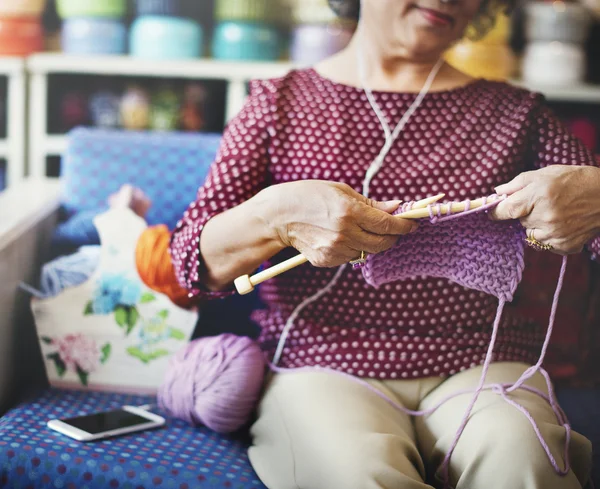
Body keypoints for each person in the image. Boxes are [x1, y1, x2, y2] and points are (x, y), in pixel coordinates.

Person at [170, 0, 600, 487]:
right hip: (323, 362)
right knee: (355, 475)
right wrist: (273, 216)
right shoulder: (280, 103)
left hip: (484, 365)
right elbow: (189, 263)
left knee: (524, 458)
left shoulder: (517, 114)